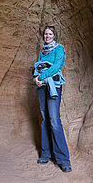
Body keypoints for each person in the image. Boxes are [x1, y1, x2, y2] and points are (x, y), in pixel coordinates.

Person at [33, 25, 72, 172]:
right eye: (45, 34)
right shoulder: (42, 51)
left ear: (54, 35)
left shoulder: (59, 49)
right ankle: (46, 153)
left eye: (50, 34)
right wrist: (36, 79)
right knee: (45, 119)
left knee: (55, 120)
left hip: (53, 86)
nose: (47, 36)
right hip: (42, 87)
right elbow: (38, 67)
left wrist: (41, 78)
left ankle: (63, 160)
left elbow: (56, 67)